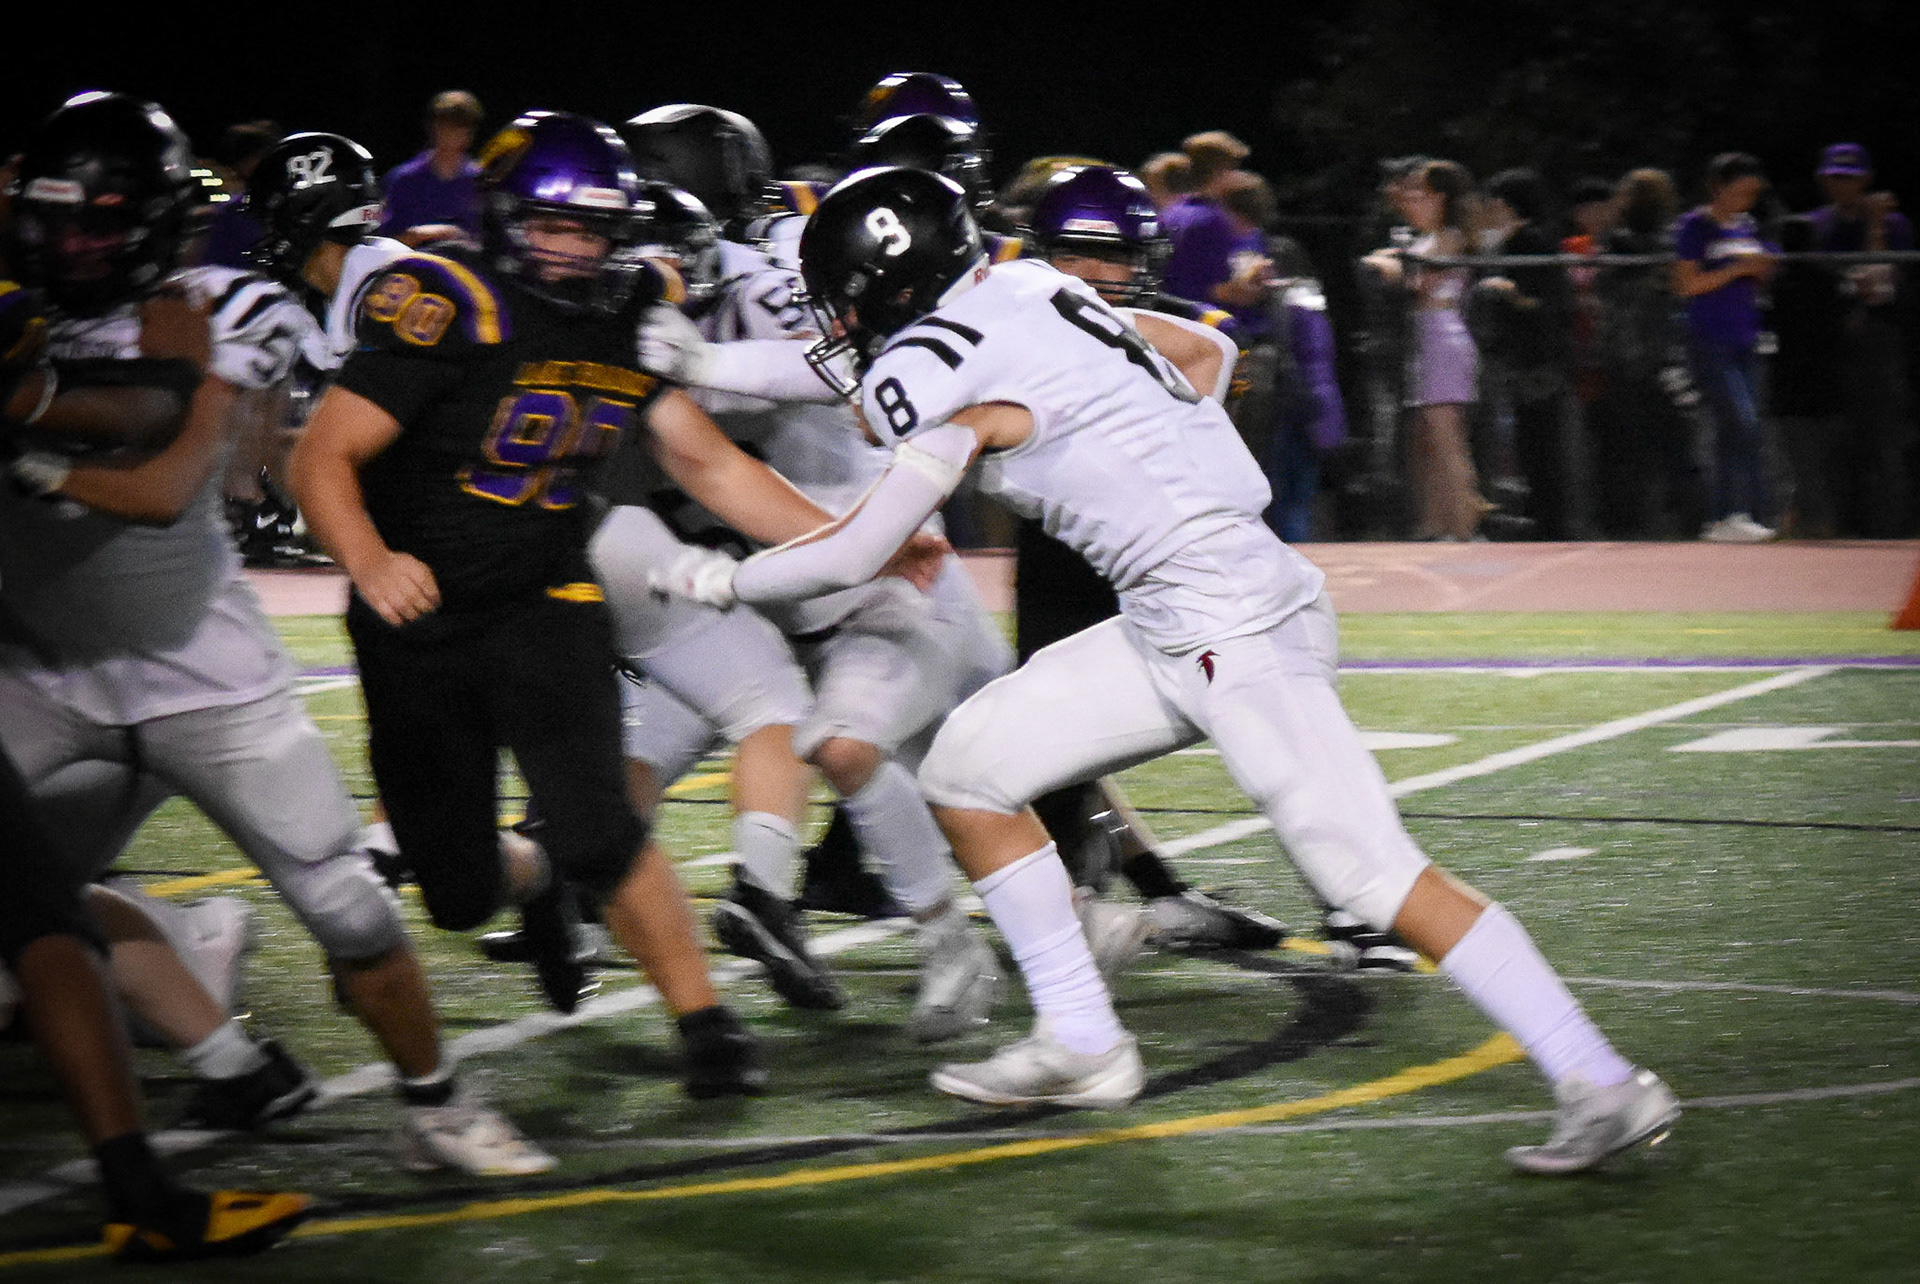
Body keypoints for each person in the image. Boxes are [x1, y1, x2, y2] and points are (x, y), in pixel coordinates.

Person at [652, 166, 1680, 1174]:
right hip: (1181, 609)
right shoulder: (1029, 286)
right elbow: (1200, 349)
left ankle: (1600, 1079)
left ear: (893, 284)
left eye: (846, 300)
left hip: (1230, 623)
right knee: (968, 770)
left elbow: (848, 544)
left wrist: (717, 577)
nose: (838, 323)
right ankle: (1082, 1040)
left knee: (1368, 874)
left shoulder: (934, 359)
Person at [288, 111, 921, 1097]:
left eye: (592, 230)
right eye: (554, 226)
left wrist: (856, 544)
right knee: (458, 893)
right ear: (508, 218)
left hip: (547, 596)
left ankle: (707, 1027)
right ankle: (535, 883)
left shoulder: (626, 308)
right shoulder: (444, 299)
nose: (574, 250)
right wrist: (369, 561)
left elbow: (708, 464)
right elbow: (321, 456)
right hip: (419, 615)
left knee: (601, 826)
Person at [1, 91, 552, 1178]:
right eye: (57, 221)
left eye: (101, 223)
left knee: (348, 908)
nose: (75, 247)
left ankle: (437, 1103)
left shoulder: (229, 304)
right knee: (25, 907)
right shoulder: (22, 315)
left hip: (204, 673)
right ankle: (216, 1023)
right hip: (35, 672)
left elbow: (163, 478)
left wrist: (27, 436)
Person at [605, 175, 1011, 1037]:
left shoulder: (788, 304)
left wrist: (699, 367)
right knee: (625, 770)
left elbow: (813, 382)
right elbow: (818, 367)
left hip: (886, 587)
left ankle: (964, 940)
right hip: (787, 613)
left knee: (883, 751)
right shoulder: (654, 334)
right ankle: (579, 895)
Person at [1364, 159, 1488, 540]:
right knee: (1430, 440)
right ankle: (1438, 526)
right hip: (1426, 337)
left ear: (1440, 198)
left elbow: (1419, 284)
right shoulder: (1426, 239)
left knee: (1447, 438)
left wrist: (1389, 265)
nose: (1410, 200)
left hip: (1442, 337)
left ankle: (1465, 529)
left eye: (1421, 193)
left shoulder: (1449, 237)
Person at [1805, 143, 1912, 536]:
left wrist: (1875, 224)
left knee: (1881, 436)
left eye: (1850, 178)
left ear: (1866, 179)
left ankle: (1887, 528)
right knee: (1833, 437)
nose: (1842, 185)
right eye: (1835, 177)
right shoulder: (1816, 224)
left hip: (1878, 342)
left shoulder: (1893, 223)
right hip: (1827, 342)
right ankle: (1835, 525)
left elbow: (1879, 287)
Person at [1673, 152, 1778, 543]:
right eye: (1739, 192)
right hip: (1709, 338)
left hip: (1746, 337)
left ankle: (1736, 514)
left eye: (1752, 194)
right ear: (1718, 187)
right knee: (1739, 420)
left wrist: (1762, 266)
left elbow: (1763, 272)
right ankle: (1729, 512)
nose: (1746, 201)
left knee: (1740, 427)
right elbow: (1687, 284)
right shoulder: (1695, 226)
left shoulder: (1748, 226)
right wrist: (1737, 268)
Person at [377, 91, 484, 241]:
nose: (454, 133)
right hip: (414, 255)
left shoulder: (479, 181)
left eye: (462, 125)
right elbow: (384, 241)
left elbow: (490, 240)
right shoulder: (404, 180)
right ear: (434, 127)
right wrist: (427, 234)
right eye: (448, 124)